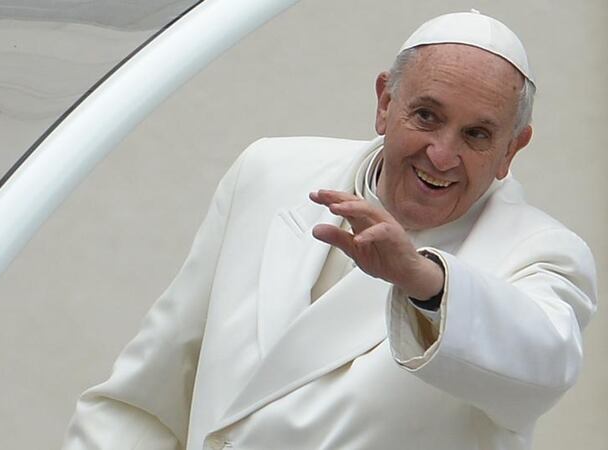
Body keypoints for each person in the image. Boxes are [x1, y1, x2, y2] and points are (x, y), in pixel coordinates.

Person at [63, 11, 597, 450]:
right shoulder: (270, 174)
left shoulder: (542, 252)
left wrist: (424, 284)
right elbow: (146, 399)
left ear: (512, 149)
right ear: (386, 102)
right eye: (427, 116)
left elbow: (543, 366)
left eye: (477, 134)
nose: (442, 154)